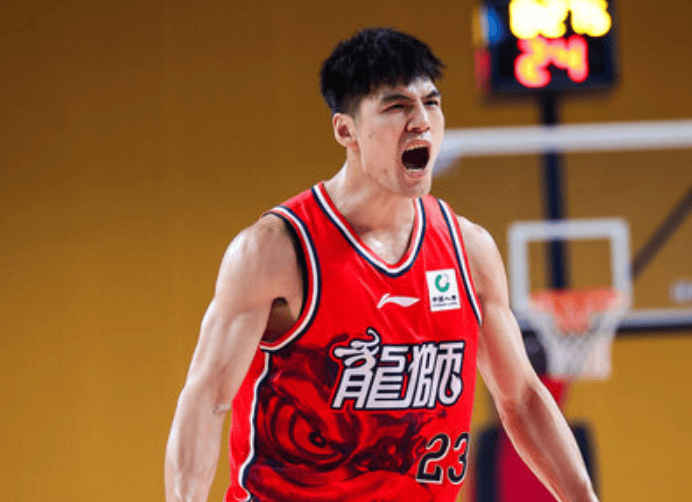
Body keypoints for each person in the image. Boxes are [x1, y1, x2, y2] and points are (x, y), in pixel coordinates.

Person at [165, 27, 599, 502]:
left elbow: (521, 398)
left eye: (431, 103)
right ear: (345, 130)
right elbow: (207, 398)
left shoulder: (469, 250)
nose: (421, 121)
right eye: (397, 107)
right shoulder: (277, 250)